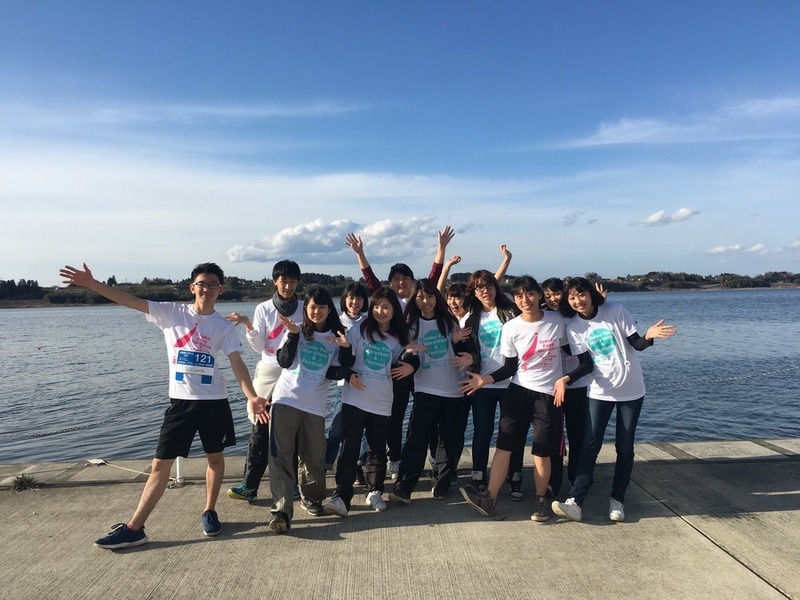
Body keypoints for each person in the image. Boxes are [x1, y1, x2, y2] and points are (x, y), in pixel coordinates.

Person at [58, 262, 268, 549]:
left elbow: (237, 362)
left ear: (221, 290)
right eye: (201, 284)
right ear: (192, 287)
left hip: (214, 403)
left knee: (215, 459)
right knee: (160, 465)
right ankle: (135, 528)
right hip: (181, 404)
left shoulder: (223, 326)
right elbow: (129, 300)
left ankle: (209, 510)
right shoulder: (172, 313)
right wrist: (92, 284)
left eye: (212, 285)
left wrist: (252, 396)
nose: (206, 289)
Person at [459, 276, 586, 521]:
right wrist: (483, 380)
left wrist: (566, 379)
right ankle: (489, 498)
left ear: (539, 295)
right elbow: (509, 367)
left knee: (542, 451)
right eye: (519, 296)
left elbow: (579, 348)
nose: (525, 300)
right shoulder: (511, 327)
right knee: (504, 447)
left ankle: (540, 502)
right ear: (515, 300)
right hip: (517, 392)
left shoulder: (557, 321)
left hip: (548, 396)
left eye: (529, 294)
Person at [551, 277, 676, 523]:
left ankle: (617, 499)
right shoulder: (574, 328)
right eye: (572, 297)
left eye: (581, 294)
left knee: (625, 446)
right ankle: (576, 500)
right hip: (600, 392)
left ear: (590, 294)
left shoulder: (615, 310)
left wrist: (649, 336)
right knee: (589, 445)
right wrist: (566, 378)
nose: (577, 301)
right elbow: (586, 365)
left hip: (631, 390)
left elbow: (637, 344)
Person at [344, 226, 454, 478]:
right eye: (396, 279)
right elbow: (370, 280)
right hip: (398, 362)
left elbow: (434, 276)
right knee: (394, 413)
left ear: (413, 282)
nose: (401, 282)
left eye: (405, 279)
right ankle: (393, 457)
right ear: (391, 283)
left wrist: (441, 249)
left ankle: (436, 463)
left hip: (424, 362)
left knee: (428, 416)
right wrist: (360, 253)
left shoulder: (418, 300)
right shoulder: (388, 304)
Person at [324, 288, 418, 516]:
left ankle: (374, 491)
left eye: (386, 307)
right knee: (349, 450)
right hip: (354, 399)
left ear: (394, 309)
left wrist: (412, 364)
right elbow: (345, 360)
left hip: (382, 402)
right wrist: (346, 356)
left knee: (376, 450)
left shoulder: (399, 337)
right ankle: (341, 497)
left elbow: (406, 360)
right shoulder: (359, 330)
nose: (380, 311)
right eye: (376, 306)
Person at [267, 287, 352, 534]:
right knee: (281, 456)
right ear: (306, 309)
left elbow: (335, 371)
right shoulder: (296, 330)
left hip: (314, 405)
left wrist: (345, 347)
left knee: (314, 456)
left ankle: (312, 497)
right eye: (312, 307)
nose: (317, 311)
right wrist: (293, 336)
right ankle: (281, 510)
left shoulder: (336, 336)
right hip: (285, 400)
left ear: (329, 309)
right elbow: (284, 362)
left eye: (322, 307)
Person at [388, 279, 477, 504]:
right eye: (420, 297)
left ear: (437, 298)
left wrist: (466, 352)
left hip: (453, 391)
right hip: (425, 389)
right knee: (416, 439)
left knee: (449, 441)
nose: (425, 301)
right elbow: (408, 355)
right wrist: (408, 362)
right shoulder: (412, 326)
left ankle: (442, 483)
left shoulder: (449, 323)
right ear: (414, 300)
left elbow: (467, 352)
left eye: (429, 296)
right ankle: (404, 487)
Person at [225, 260, 304, 503]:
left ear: (298, 282)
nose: (288, 286)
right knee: (259, 430)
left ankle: (290, 484)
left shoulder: (305, 307)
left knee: (289, 433)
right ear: (275, 282)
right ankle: (250, 485)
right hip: (269, 372)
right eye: (284, 281)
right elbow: (259, 347)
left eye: (292, 281)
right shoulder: (264, 308)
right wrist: (248, 325)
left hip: (294, 374)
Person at [461, 269, 523, 496]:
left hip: (511, 383)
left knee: (511, 433)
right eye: (479, 287)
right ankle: (478, 475)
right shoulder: (472, 319)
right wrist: (470, 358)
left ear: (495, 287)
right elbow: (470, 351)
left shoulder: (511, 312)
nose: (485, 291)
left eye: (488, 285)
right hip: (483, 383)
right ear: (474, 292)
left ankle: (515, 477)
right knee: (482, 431)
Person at [324, 283, 371, 474]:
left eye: (359, 298)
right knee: (337, 425)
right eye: (351, 297)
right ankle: (326, 463)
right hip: (344, 382)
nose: (355, 302)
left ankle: (359, 465)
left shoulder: (369, 322)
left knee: (362, 428)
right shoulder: (335, 322)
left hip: (367, 381)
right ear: (344, 299)